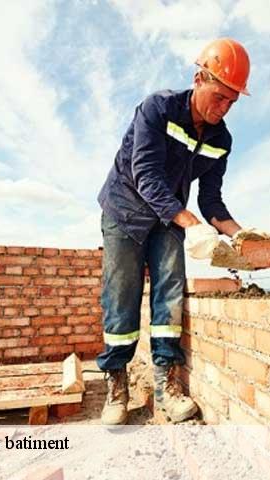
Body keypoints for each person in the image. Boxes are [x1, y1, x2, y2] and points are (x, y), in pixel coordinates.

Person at [96, 38, 251, 425]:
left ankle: (167, 385)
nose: (223, 108)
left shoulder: (221, 140)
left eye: (232, 101)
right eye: (219, 96)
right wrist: (190, 223)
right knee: (121, 295)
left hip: (168, 218)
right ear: (199, 79)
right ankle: (116, 384)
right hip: (125, 211)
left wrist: (243, 236)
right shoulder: (158, 109)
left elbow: (211, 200)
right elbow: (145, 175)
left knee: (169, 293)